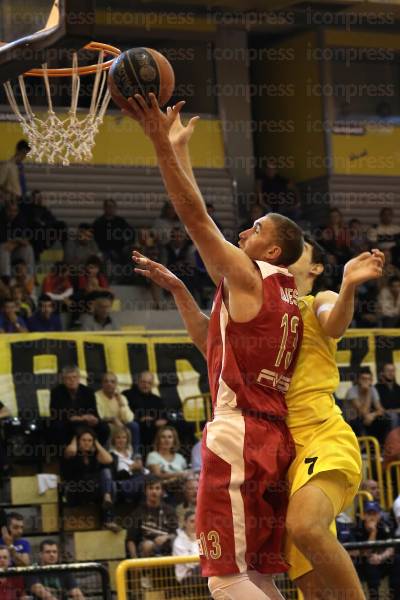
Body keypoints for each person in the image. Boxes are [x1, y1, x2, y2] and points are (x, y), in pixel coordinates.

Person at [132, 237, 385, 600]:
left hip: (321, 436)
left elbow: (335, 324)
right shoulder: (261, 313)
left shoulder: (318, 301)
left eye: (303, 251)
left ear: (312, 268)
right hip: (280, 455)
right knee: (310, 589)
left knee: (305, 526)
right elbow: (209, 343)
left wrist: (347, 285)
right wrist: (179, 289)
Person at [127, 97, 304, 599]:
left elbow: (194, 217)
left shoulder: (248, 276)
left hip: (240, 437)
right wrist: (182, 291)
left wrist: (160, 142)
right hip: (270, 439)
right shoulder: (280, 292)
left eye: (257, 229)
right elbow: (212, 342)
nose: (245, 230)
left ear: (271, 250)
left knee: (225, 580)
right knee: (260, 574)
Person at [63, 429, 119, 532]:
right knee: (109, 486)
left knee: (109, 477)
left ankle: (107, 500)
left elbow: (109, 460)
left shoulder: (94, 455)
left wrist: (96, 443)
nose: (87, 443)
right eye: (84, 440)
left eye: (89, 440)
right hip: (76, 490)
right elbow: (71, 451)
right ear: (78, 441)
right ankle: (108, 520)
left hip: (92, 489)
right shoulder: (72, 453)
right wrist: (75, 437)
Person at [49, 365, 109, 448]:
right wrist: (77, 418)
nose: (72, 380)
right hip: (67, 422)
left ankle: (96, 450)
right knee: (58, 427)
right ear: (63, 380)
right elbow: (55, 413)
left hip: (86, 422)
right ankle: (66, 454)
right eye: (68, 378)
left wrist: (94, 419)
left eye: (74, 377)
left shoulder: (88, 391)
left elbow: (94, 412)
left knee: (104, 428)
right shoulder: (56, 392)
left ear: (79, 378)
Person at [354, 500, 400, 600]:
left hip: (382, 559)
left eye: (374, 514)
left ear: (379, 515)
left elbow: (391, 547)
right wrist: (373, 532)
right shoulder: (358, 527)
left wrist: (381, 557)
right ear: (363, 515)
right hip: (364, 562)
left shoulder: (385, 525)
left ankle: (395, 596)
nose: (372, 517)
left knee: (397, 560)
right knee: (369, 565)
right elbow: (365, 552)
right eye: (369, 514)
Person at [126, 475, 178, 559]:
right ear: (145, 491)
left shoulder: (169, 510)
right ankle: (148, 571)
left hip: (166, 545)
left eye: (157, 488)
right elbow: (130, 540)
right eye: (151, 488)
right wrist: (134, 562)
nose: (154, 491)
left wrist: (166, 537)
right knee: (148, 545)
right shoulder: (138, 512)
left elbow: (176, 534)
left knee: (177, 542)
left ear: (162, 491)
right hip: (146, 547)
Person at [123, 371, 168, 454]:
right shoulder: (127, 395)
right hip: (136, 425)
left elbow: (164, 417)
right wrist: (141, 419)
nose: (146, 385)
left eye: (149, 383)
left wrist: (158, 420)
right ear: (138, 381)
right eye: (143, 382)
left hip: (154, 425)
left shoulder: (156, 399)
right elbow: (124, 414)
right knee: (147, 426)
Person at [95, 372, 140, 452]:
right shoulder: (96, 396)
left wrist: (121, 404)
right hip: (106, 424)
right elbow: (99, 415)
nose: (109, 384)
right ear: (102, 384)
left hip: (121, 424)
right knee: (105, 428)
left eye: (112, 382)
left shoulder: (121, 397)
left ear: (116, 384)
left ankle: (135, 456)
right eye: (106, 381)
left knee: (134, 426)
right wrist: (113, 419)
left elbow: (129, 418)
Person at [346, 367, 391, 445]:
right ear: (358, 380)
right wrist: (368, 392)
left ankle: (381, 448)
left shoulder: (373, 389)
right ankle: (364, 449)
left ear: (371, 381)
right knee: (357, 422)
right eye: (363, 379)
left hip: (367, 419)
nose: (366, 381)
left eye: (368, 379)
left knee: (385, 419)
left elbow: (380, 409)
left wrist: (373, 415)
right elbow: (362, 412)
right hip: (353, 419)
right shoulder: (352, 391)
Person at [146, 426, 190, 498]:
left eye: (170, 437)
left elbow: (186, 474)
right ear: (158, 440)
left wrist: (172, 475)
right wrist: (178, 474)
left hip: (181, 489)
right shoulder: (153, 455)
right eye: (163, 437)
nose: (167, 440)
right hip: (163, 489)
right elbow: (158, 475)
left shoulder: (180, 457)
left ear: (174, 440)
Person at [173, 510, 209, 597]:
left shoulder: (202, 537)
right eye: (192, 521)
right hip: (186, 580)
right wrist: (193, 542)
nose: (195, 524)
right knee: (204, 568)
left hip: (202, 575)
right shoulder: (178, 541)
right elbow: (191, 564)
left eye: (197, 521)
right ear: (185, 523)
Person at [92, 198, 134, 268]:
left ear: (115, 208)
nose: (110, 208)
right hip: (102, 251)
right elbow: (93, 239)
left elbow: (131, 234)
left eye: (112, 206)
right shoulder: (98, 222)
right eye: (108, 206)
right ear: (104, 208)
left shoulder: (120, 221)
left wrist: (127, 245)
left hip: (119, 251)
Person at [109, 426, 146, 504]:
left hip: (140, 481)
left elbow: (140, 467)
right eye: (118, 438)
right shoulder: (111, 455)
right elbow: (117, 475)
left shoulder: (131, 451)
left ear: (127, 439)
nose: (121, 440)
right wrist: (132, 468)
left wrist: (138, 466)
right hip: (124, 484)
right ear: (113, 439)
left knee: (149, 483)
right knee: (149, 481)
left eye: (124, 437)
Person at [0, 200, 35, 278]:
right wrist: (16, 241)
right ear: (5, 210)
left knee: (28, 249)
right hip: (2, 252)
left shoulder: (20, 219)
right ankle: (6, 279)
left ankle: (30, 278)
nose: (12, 213)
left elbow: (25, 241)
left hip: (13, 250)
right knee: (5, 248)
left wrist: (15, 243)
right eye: (10, 210)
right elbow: (3, 239)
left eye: (15, 211)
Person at [375, 363, 400, 430]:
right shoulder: (376, 388)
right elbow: (378, 408)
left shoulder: (398, 388)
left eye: (392, 371)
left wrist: (395, 411)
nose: (391, 373)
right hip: (382, 416)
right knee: (393, 416)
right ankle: (392, 439)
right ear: (383, 373)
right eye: (388, 370)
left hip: (397, 413)